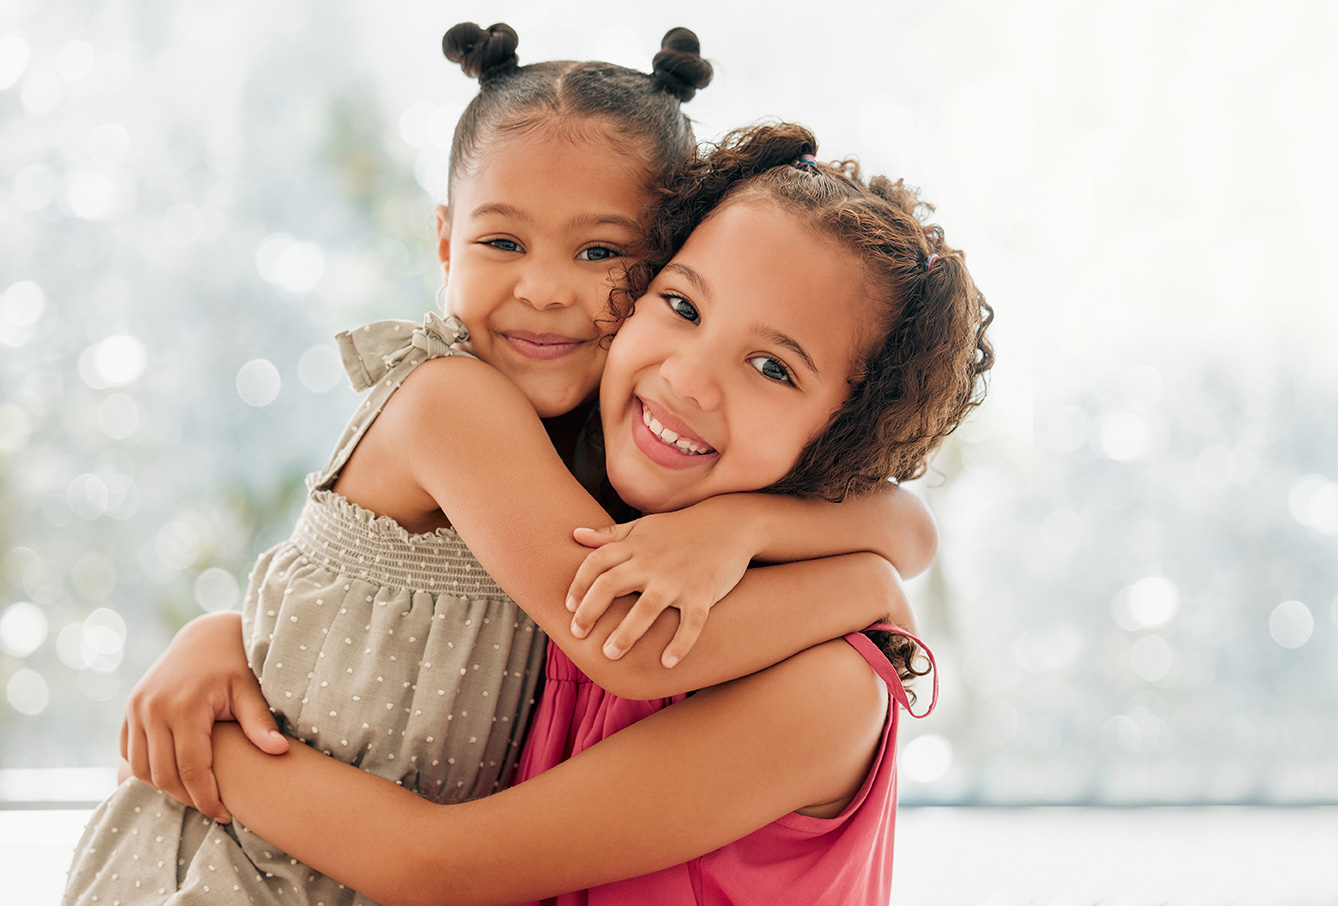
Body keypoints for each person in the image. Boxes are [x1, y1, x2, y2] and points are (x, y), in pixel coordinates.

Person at [62, 26, 935, 906]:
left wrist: (777, 537)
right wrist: (866, 584)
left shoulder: (605, 463)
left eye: (600, 254)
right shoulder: (458, 401)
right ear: (445, 240)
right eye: (502, 243)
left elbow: (905, 523)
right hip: (249, 868)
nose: (548, 289)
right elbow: (623, 643)